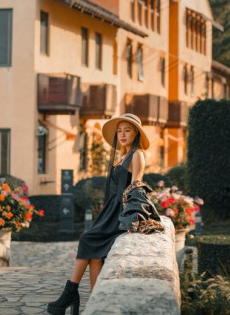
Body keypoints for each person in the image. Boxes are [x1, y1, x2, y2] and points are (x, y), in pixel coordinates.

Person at [47, 113, 164, 315]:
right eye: (119, 131)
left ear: (136, 132)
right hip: (110, 208)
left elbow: (137, 184)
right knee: (95, 256)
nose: (122, 134)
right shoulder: (122, 156)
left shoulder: (137, 154)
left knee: (86, 240)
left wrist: (134, 214)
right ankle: (94, 302)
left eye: (127, 130)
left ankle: (71, 292)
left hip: (120, 210)